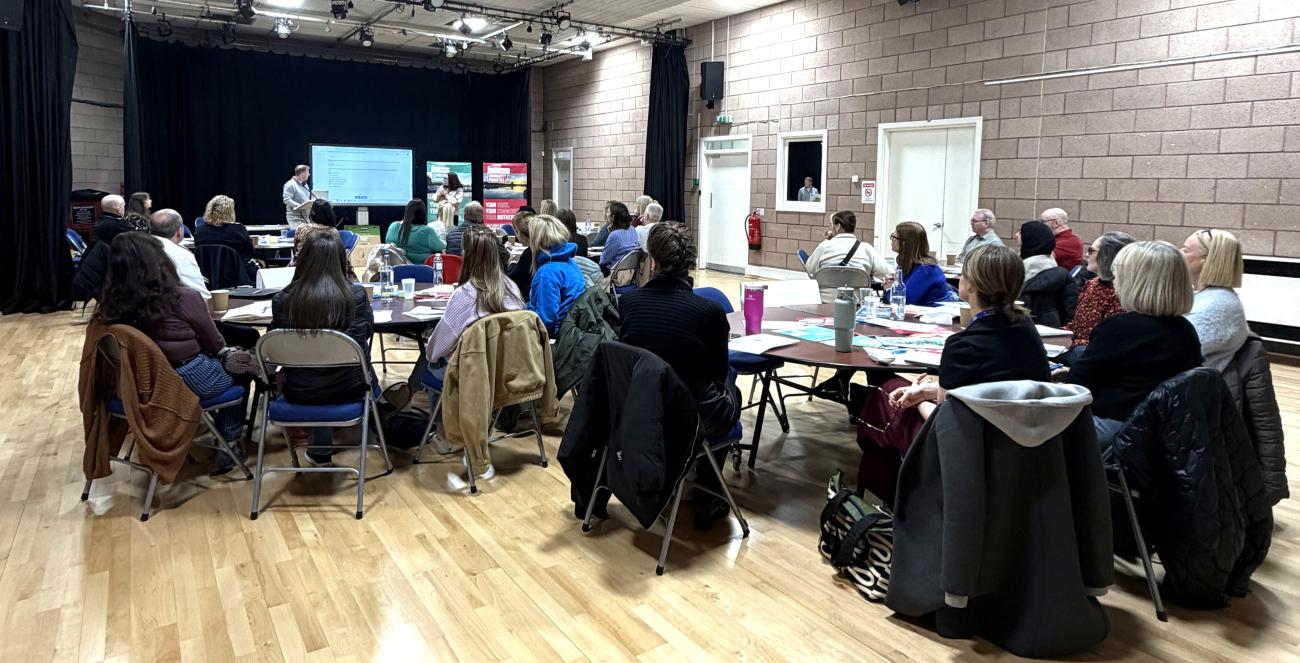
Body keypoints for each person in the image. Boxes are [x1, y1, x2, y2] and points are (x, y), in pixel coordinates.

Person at [859, 244, 1050, 502]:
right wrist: (928, 391)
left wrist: (920, 402)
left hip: (969, 447)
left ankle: (897, 501)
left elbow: (945, 420)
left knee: (887, 393)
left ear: (971, 285)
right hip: (1023, 438)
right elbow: (992, 384)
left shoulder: (962, 345)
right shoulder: (1027, 329)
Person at [618, 222, 740, 530]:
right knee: (730, 386)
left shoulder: (629, 303)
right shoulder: (709, 312)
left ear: (653, 261)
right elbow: (716, 372)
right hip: (687, 419)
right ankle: (710, 496)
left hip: (638, 412)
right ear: (690, 262)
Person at [92, 232, 247, 472]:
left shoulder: (108, 305)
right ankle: (229, 441)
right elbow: (215, 343)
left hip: (135, 384)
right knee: (240, 369)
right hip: (185, 378)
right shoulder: (182, 297)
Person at [1067, 241, 1202, 449]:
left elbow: (1079, 387)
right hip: (1164, 433)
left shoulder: (1118, 328)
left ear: (1134, 281)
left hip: (1117, 430)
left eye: (1118, 274)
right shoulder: (1186, 330)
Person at [270, 233, 375, 466]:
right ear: (341, 261)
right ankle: (381, 423)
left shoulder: (283, 300)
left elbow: (273, 345)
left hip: (299, 390)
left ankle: (320, 451)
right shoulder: (355, 296)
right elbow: (365, 334)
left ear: (303, 260)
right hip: (350, 388)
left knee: (315, 368)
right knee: (351, 365)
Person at [425, 225, 527, 462]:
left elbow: (436, 350)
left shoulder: (465, 295)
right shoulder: (512, 289)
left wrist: (431, 349)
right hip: (509, 373)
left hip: (474, 377)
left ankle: (442, 432)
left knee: (430, 358)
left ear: (466, 257)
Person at [1181, 229, 1249, 372]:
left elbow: (1173, 352)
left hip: (1186, 389)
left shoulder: (1215, 306)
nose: (1179, 253)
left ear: (1207, 259)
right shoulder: (1213, 296)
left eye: (1186, 250)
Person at [1065, 231, 1134, 348]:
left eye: (1091, 251)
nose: (1086, 255)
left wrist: (1067, 343)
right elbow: (1076, 326)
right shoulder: (1092, 284)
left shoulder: (1122, 294)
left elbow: (1108, 341)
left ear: (1109, 255)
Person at [528, 215, 586, 335]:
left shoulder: (547, 273)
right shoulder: (570, 263)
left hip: (556, 337)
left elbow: (546, 320)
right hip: (573, 331)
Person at [1018, 220, 1077, 327]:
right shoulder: (1017, 265)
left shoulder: (1020, 270)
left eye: (1020, 232)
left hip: (1041, 328)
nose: (1016, 235)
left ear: (1030, 238)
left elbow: (1069, 313)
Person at [804, 210, 889, 280]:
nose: (830, 228)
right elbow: (887, 271)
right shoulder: (867, 248)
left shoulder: (824, 246)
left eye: (831, 225)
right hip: (856, 298)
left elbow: (809, 268)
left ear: (838, 227)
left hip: (827, 298)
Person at [148, 209, 210, 300]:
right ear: (179, 231)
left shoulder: (134, 248)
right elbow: (201, 296)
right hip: (168, 310)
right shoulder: (181, 255)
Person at [890, 221, 951, 306]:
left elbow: (906, 300)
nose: (892, 240)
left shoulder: (927, 269)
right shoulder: (906, 264)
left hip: (933, 316)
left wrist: (889, 289)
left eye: (894, 237)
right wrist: (893, 284)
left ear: (904, 243)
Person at [445, 201, 509, 269]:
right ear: (482, 217)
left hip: (456, 276)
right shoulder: (487, 234)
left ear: (464, 216)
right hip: (481, 276)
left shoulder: (450, 235)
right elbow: (505, 257)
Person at [194, 194, 255, 260]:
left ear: (209, 210)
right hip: (235, 269)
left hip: (206, 269)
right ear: (231, 212)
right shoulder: (238, 230)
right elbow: (250, 252)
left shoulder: (200, 230)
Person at [385, 198, 445, 265]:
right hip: (422, 271)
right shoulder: (426, 231)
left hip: (396, 271)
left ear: (406, 212)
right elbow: (441, 247)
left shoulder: (393, 226)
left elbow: (388, 244)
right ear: (423, 214)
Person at [598, 202, 639, 274]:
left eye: (608, 212)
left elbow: (603, 261)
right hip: (631, 274)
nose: (606, 214)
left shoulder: (614, 235)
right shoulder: (632, 229)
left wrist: (611, 234)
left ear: (613, 217)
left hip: (614, 275)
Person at [505, 210, 537, 300]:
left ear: (520, 232)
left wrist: (512, 263)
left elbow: (511, 280)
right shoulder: (541, 249)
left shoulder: (530, 253)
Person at [282, 164, 314, 229]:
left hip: (305, 217)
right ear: (303, 174)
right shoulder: (290, 184)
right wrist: (298, 205)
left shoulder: (304, 184)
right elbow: (286, 199)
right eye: (308, 173)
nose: (309, 175)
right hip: (295, 217)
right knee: (300, 236)